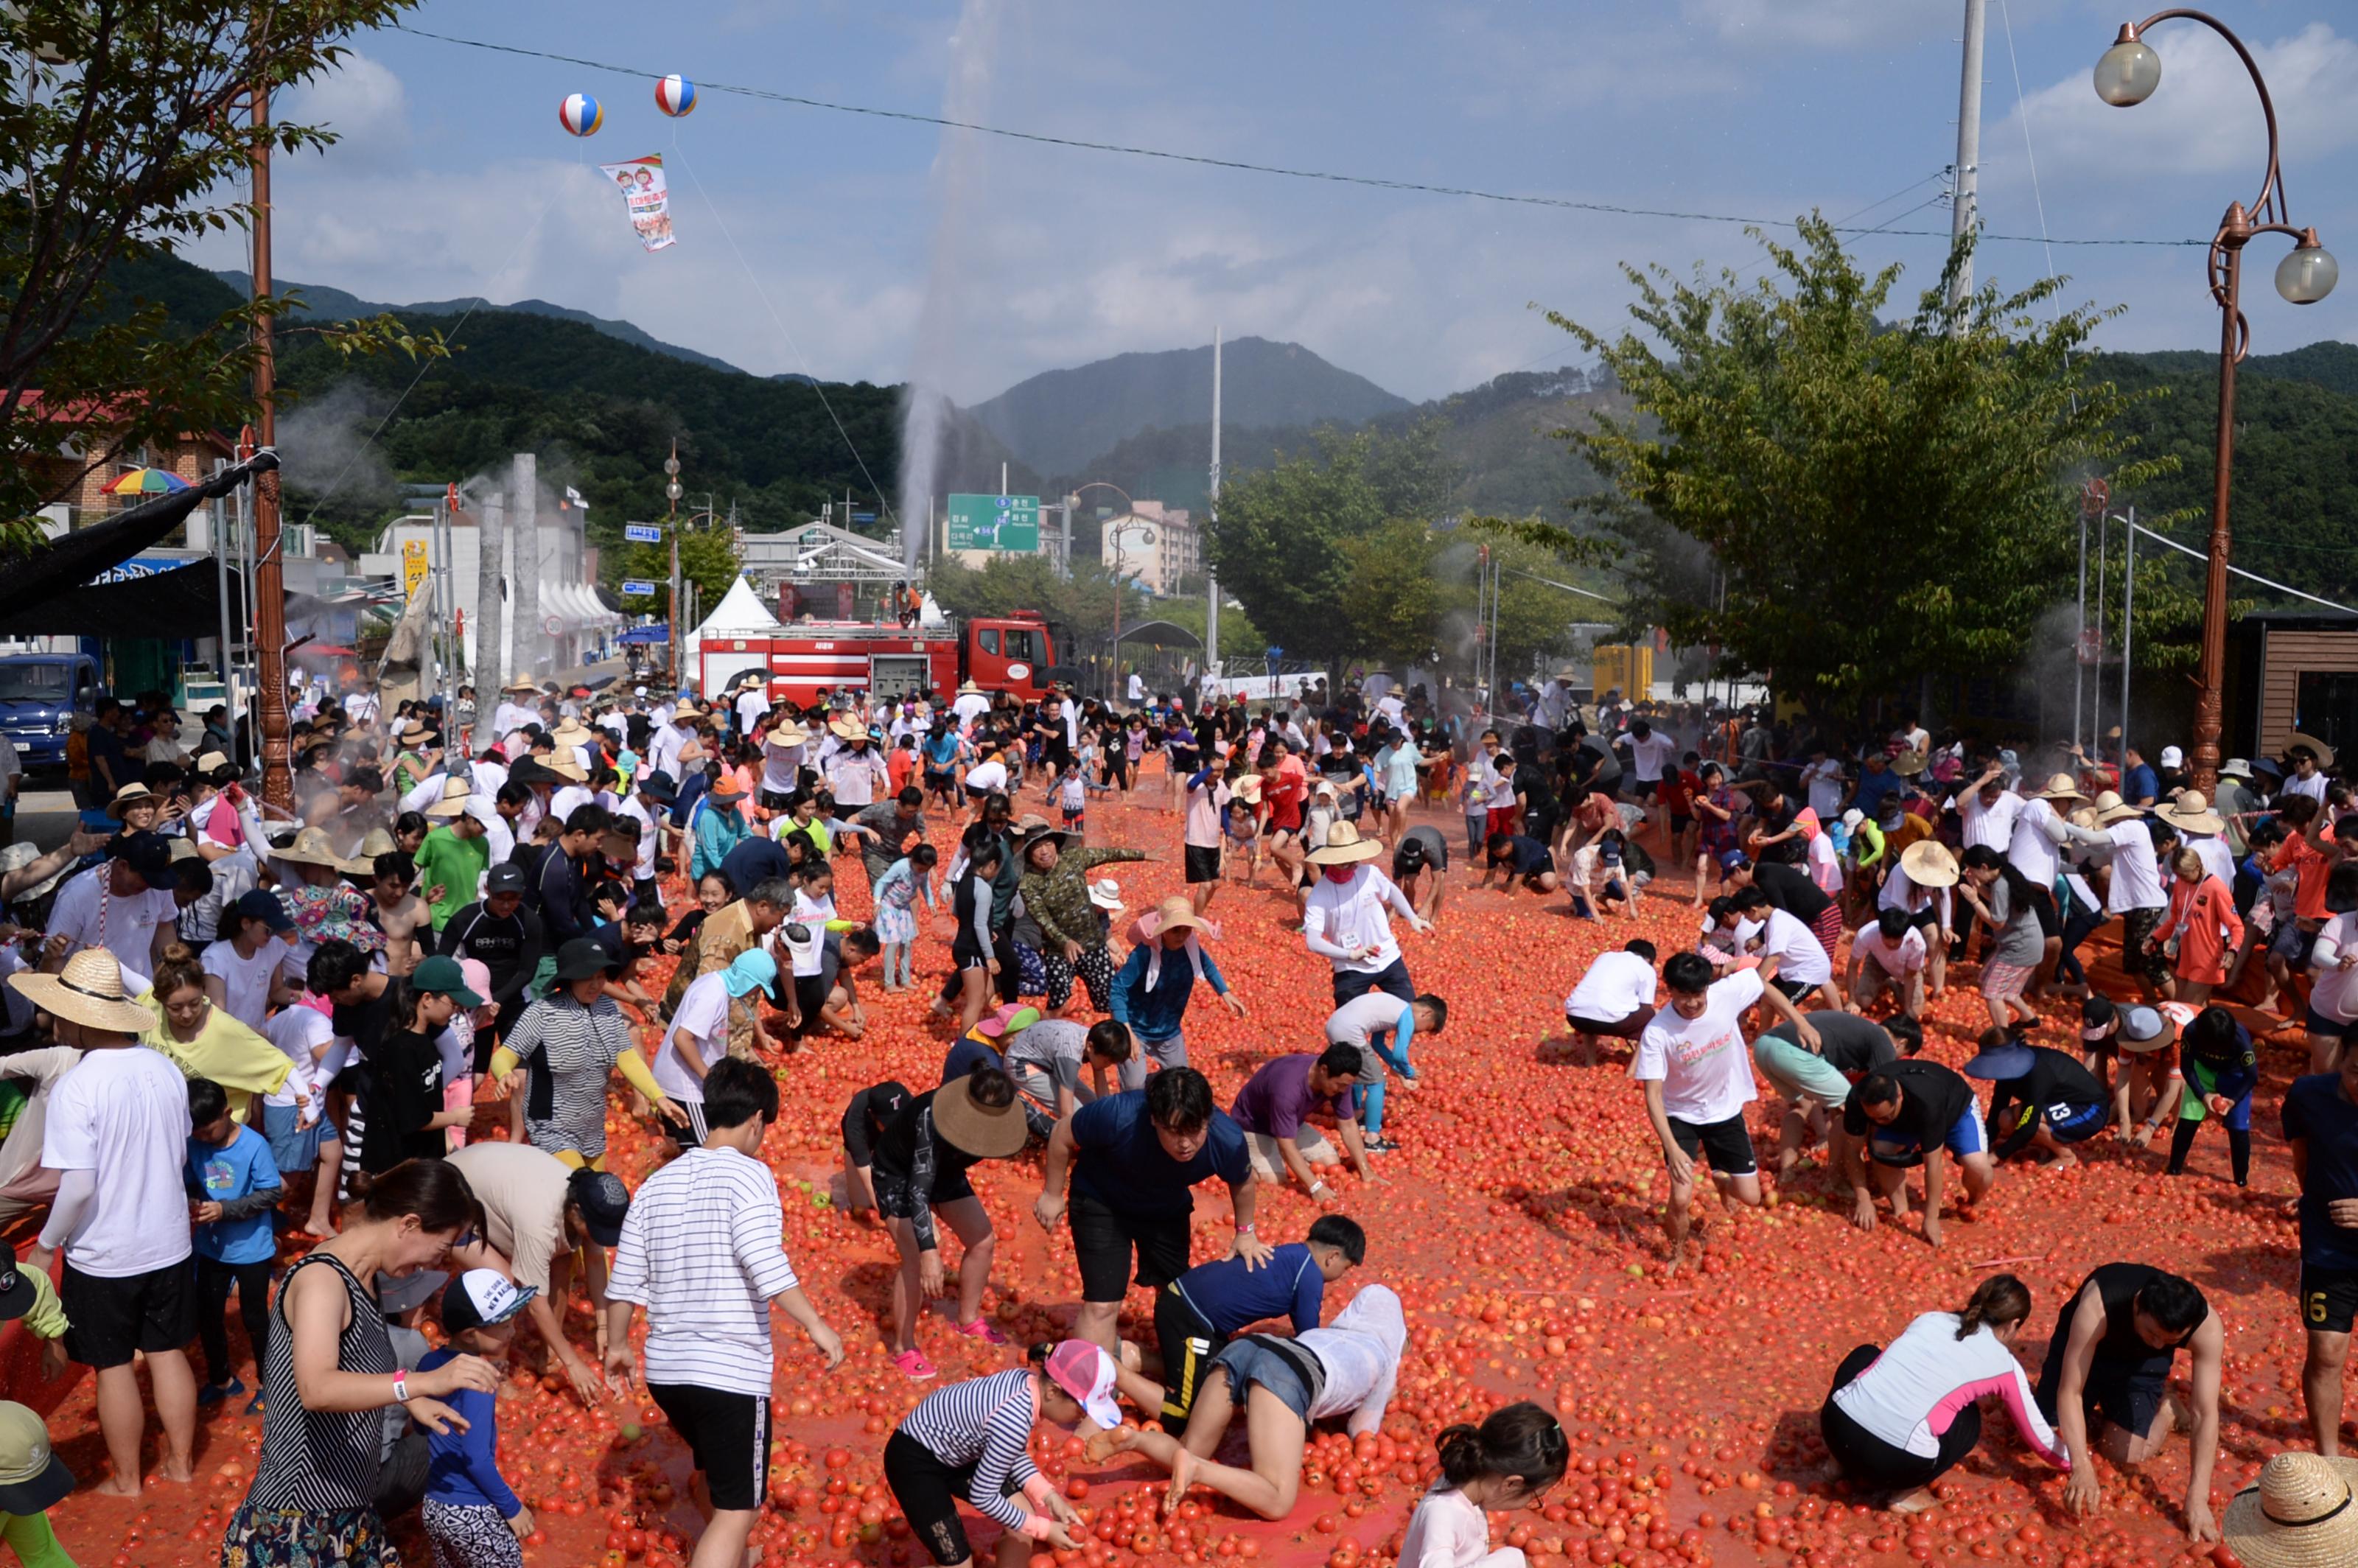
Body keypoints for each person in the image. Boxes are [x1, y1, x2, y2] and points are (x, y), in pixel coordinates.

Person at [604, 1057, 843, 1568]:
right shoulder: (750, 1175)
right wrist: (816, 1323)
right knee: (740, 1510)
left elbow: (624, 1279)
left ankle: (732, 1557)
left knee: (716, 1472)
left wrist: (618, 1346)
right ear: (757, 1119)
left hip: (666, 1371)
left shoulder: (656, 1184)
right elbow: (761, 1257)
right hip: (728, 1372)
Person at [218, 1158, 502, 1566]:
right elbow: (317, 1389)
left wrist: (411, 1403)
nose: (432, 1266)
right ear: (408, 1224)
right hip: (299, 1522)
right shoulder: (322, 1281)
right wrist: (418, 1385)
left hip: (351, 1511)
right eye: (439, 1250)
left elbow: (359, 1367)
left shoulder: (365, 1279)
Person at [15, 950, 197, 1498]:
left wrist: (46, 1247)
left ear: (77, 1017)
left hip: (106, 1253)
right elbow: (180, 1151)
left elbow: (79, 1186)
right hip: (169, 1242)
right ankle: (182, 1466)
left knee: (114, 1367)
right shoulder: (166, 1068)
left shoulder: (78, 1085)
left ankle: (125, 1481)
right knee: (168, 1356)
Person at [1106, 1284, 1406, 1522]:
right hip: (1285, 1371)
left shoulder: (1324, 1332)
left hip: (1251, 1345)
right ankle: (1198, 1470)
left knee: (1188, 1446)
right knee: (1277, 1500)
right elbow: (1362, 1431)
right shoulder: (1382, 1358)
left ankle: (1135, 1439)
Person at [1031, 1067, 1267, 1354]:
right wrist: (1052, 1193)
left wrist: (1245, 1232)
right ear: (1154, 1119)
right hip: (1101, 1200)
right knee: (1103, 1304)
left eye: (1194, 1131)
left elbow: (1241, 1182)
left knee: (1175, 1293)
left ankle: (1172, 1366)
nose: (1184, 1144)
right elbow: (1061, 1134)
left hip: (1164, 1207)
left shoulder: (1226, 1140)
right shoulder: (1119, 1115)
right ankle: (1087, 1391)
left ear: (1208, 1119)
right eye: (1173, 1131)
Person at [886, 1339, 1154, 1568]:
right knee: (959, 1563)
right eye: (1081, 1410)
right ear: (1053, 1391)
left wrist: (1049, 1497)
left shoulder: (1026, 1383)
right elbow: (984, 1494)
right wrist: (1044, 1529)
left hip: (957, 1450)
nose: (1082, 1417)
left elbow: (1009, 1453)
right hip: (915, 1460)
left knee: (1021, 1516)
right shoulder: (1014, 1417)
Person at [1819, 1273, 2068, 1513]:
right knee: (1969, 1419)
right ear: (2013, 1324)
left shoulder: (1930, 1319)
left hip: (1835, 1431)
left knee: (1866, 1354)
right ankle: (1904, 1494)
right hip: (1894, 1465)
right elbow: (2038, 1438)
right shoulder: (2005, 1365)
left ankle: (1835, 1464)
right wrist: (2074, 1463)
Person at [2036, 1263, 2225, 1544]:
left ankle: (2168, 1410)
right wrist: (2082, 1466)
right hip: (2088, 1345)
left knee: (2124, 1453)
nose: (2160, 1344)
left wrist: (2198, 1498)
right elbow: (2070, 1390)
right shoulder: (2098, 1306)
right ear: (2137, 1305)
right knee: (2044, 1436)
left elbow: (2205, 1413)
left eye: (2171, 1340)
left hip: (2140, 1363)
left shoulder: (2205, 1327)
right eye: (2152, 1333)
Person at [868, 1065, 1032, 1379]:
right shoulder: (932, 1118)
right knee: (915, 1257)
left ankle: (968, 1318)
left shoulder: (1007, 1105)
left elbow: (1054, 1129)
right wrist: (930, 1250)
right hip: (898, 1174)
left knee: (982, 1240)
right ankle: (903, 1347)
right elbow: (917, 1190)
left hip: (944, 1169)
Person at [444, 1139, 630, 1408]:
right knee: (504, 1287)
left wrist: (603, 1324)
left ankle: (547, 1350)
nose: (599, 1236)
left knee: (563, 1258)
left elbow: (595, 1260)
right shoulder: (539, 1223)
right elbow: (535, 1303)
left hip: (493, 1184)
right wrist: (573, 1362)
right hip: (452, 1205)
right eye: (597, 1229)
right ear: (576, 1211)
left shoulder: (584, 1198)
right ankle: (498, 1371)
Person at [1144, 1215, 1365, 1426]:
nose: (1341, 1275)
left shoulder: (1294, 1255)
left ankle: (1137, 1359)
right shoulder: (1310, 1277)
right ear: (1333, 1256)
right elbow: (1311, 1340)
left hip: (1185, 1303)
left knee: (1213, 1382)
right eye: (1345, 1268)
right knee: (1189, 1413)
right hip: (1187, 1315)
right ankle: (1122, 1366)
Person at [489, 937, 671, 1169]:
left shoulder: (607, 1009)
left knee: (592, 1196)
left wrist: (658, 1097)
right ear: (569, 979)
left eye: (600, 977)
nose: (596, 985)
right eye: (587, 977)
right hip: (550, 1123)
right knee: (578, 1187)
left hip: (591, 1124)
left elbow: (628, 1058)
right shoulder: (543, 1012)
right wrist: (505, 1073)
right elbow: (505, 1055)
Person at [419, 1270, 537, 1568]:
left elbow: (422, 1427)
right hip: (471, 1509)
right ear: (471, 1334)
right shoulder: (479, 1377)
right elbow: (476, 1457)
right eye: (504, 1325)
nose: (513, 1332)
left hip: (435, 1505)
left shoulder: (430, 1362)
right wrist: (512, 1508)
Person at [185, 1076, 281, 1415]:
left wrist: (225, 1210)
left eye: (209, 1131)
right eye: (196, 1134)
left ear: (227, 1113)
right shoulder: (194, 1143)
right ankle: (222, 1379)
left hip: (251, 1248)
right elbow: (190, 1180)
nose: (203, 1139)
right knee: (207, 1316)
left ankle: (271, 1387)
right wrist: (193, 1198)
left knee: (256, 1319)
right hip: (211, 1247)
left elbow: (271, 1193)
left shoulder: (254, 1146)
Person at [2284, 1045, 2358, 1457]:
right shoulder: (2307, 1095)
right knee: (2327, 1353)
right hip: (2329, 1250)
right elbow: (2302, 1161)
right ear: (2342, 1057)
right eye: (2356, 1070)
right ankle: (2329, 1460)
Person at [1842, 1058, 1997, 1247]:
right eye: (1874, 1119)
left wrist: (1931, 1218)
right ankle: (1901, 1211)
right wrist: (1863, 1199)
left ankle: (1971, 1201)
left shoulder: (1927, 1101)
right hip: (1907, 1121)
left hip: (1956, 1112)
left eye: (1886, 1116)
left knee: (1979, 1169)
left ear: (1898, 1095)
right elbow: (1852, 1150)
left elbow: (1933, 1163)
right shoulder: (1856, 1099)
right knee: (1882, 1152)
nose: (1880, 1122)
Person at [1396, 1401, 1570, 1568]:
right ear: (1511, 1484)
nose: (1529, 1504)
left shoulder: (1467, 1477)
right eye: (1534, 1497)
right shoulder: (1442, 1514)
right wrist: (1510, 1561)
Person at [1752, 1010, 1920, 1181]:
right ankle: (1835, 1178)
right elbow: (1880, 1094)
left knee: (1800, 1107)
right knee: (1852, 1112)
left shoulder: (1861, 1029)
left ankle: (1786, 1172)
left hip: (1764, 1047)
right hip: (1794, 1054)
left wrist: (1824, 1134)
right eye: (1905, 1053)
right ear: (1902, 1043)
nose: (1899, 1058)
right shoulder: (1884, 1042)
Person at [1107, 897, 1247, 1074]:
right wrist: (1125, 1030)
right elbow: (1118, 989)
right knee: (1133, 1088)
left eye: (1186, 930)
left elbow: (1208, 967)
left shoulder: (1191, 949)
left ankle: (1154, 1087)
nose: (1181, 936)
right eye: (1175, 930)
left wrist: (1225, 992)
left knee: (1180, 1079)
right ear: (1163, 930)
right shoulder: (1144, 953)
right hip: (1136, 1030)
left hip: (1169, 1031)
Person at [1303, 822, 1430, 1005]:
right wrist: (1350, 954)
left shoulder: (1370, 873)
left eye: (1355, 860)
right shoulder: (1319, 895)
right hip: (1350, 967)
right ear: (1332, 860)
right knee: (1347, 1025)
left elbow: (1392, 891)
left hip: (1387, 957)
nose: (1353, 866)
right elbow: (1313, 941)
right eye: (1346, 863)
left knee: (1407, 1013)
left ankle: (1380, 1033)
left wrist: (1413, 918)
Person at [1230, 1044, 1374, 1199]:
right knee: (1273, 1180)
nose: (1343, 1090)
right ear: (1324, 1070)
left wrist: (1366, 1170)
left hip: (1290, 1121)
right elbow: (1286, 1145)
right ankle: (1232, 1161)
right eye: (1341, 1085)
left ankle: (1283, 1160)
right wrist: (1316, 1187)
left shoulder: (1340, 1082)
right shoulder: (1288, 1090)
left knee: (1331, 1162)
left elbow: (1348, 1124)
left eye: (1347, 1085)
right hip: (1254, 1125)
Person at [1967, 1031, 2110, 1170]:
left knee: (2022, 1116)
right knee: (2006, 1118)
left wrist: (1996, 1156)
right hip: (2059, 1104)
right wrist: (1981, 1148)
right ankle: (2045, 1145)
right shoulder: (2007, 1072)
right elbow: (1996, 1111)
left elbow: (2029, 1124)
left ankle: (2066, 1156)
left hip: (2091, 1110)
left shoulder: (2037, 1073)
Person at [1324, 989, 1445, 1151]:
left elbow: (1378, 1044)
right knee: (1377, 1082)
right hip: (1350, 1031)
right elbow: (1399, 1053)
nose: (1416, 1032)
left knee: (1357, 1071)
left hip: (1334, 1025)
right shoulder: (1407, 1015)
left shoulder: (1394, 1007)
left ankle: (1357, 1115)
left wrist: (1398, 1069)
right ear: (1426, 1013)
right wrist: (1408, 1072)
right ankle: (1372, 1139)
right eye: (1422, 1029)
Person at [2166, 1005, 2259, 1186]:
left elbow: (2251, 1076)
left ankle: (2241, 1180)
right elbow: (2187, 1067)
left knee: (2238, 1129)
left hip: (2235, 1077)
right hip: (2202, 1073)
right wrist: (2202, 1095)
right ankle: (2174, 1169)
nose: (2218, 1051)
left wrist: (2234, 1100)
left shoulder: (2241, 1040)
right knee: (2187, 1120)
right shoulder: (2191, 1032)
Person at [1562, 939, 1659, 1068]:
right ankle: (1632, 1070)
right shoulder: (1646, 968)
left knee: (1592, 1009)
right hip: (1613, 1022)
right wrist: (1633, 1035)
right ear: (1648, 959)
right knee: (1654, 1016)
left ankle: (1590, 1063)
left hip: (1575, 1017)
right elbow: (1646, 1007)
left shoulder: (1605, 956)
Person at [1845, 908, 1928, 1022]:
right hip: (1877, 962)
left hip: (1905, 969)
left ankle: (1892, 983)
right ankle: (1881, 982)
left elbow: (1910, 975)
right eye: (1887, 937)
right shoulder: (1866, 934)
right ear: (1880, 931)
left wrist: (1908, 1008)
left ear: (1904, 934)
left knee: (1915, 1011)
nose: (1891, 943)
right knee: (1863, 1001)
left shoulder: (1916, 944)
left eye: (1896, 939)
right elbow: (1853, 966)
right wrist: (1851, 1001)